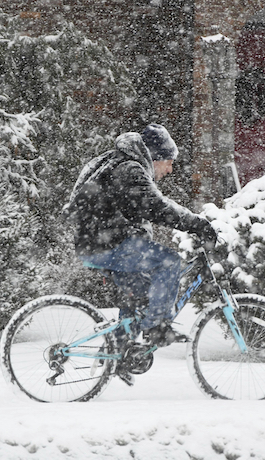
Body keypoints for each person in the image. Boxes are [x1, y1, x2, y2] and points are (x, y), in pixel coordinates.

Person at [64, 123, 217, 349]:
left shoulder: (121, 164)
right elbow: (157, 207)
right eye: (169, 162)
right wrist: (198, 225)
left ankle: (120, 353)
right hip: (107, 244)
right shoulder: (131, 169)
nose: (170, 170)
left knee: (139, 294)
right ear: (155, 157)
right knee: (169, 261)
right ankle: (157, 328)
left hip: (97, 243)